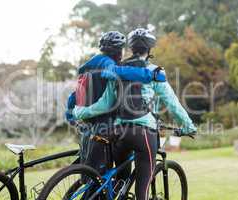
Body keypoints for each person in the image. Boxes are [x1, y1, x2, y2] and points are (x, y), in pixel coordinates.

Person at [73, 28, 196, 200]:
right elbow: (173, 104)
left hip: (117, 132)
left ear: (130, 48)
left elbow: (105, 104)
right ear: (150, 50)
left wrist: (80, 112)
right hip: (143, 133)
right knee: (142, 191)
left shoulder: (118, 69)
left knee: (120, 182)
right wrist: (188, 126)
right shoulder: (154, 72)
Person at [65, 30, 167, 175]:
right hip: (104, 124)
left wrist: (70, 116)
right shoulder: (107, 63)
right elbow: (116, 72)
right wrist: (150, 75)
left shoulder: (89, 67)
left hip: (89, 125)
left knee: (92, 174)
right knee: (99, 178)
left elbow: (74, 96)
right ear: (118, 51)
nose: (121, 54)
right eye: (121, 50)